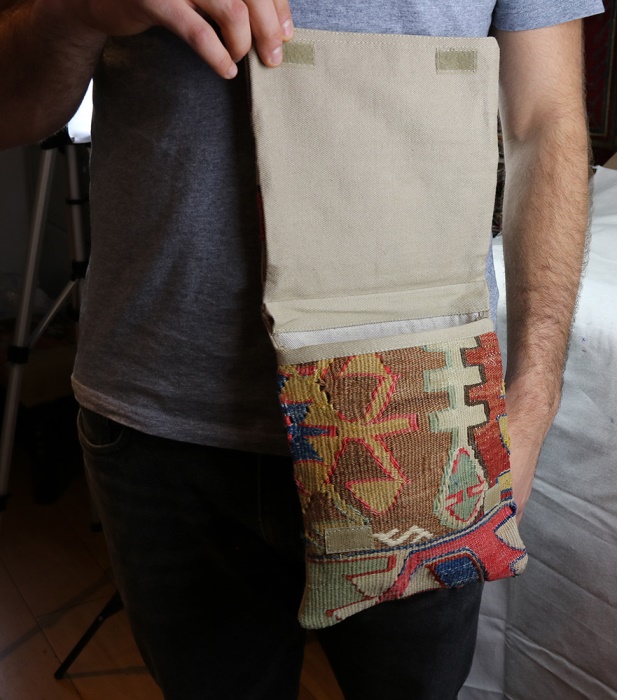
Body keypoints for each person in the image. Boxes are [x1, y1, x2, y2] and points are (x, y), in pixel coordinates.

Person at [0, 1, 602, 698]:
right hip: (161, 421)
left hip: (423, 427)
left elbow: (545, 121)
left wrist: (533, 402)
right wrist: (78, 10)